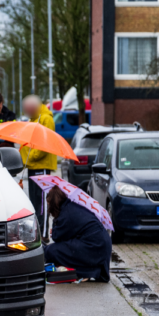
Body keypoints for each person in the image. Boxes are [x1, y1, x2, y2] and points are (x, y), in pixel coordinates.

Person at [43, 186, 112, 282]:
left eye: (49, 204)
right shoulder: (71, 207)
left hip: (94, 247)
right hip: (100, 246)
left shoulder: (66, 213)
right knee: (61, 249)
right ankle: (92, 271)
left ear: (53, 204)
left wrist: (54, 227)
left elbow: (57, 237)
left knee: (51, 251)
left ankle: (88, 272)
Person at [20, 95, 57, 237]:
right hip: (33, 166)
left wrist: (31, 157)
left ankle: (43, 233)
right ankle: (38, 232)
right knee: (35, 202)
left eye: (28, 109)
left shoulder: (46, 119)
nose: (26, 112)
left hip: (41, 167)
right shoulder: (33, 119)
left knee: (42, 202)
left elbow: (44, 144)